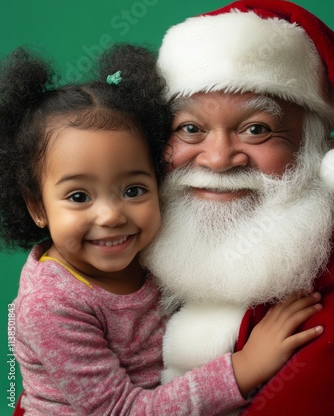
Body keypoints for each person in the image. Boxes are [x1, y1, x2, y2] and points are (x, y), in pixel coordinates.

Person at [1, 44, 322, 415]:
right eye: (78, 196)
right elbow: (123, 411)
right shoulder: (50, 306)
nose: (110, 216)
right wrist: (245, 368)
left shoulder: (152, 246)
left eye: (133, 190)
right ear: (37, 206)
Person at [142, 0, 334, 415]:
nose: (217, 159)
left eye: (257, 129)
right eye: (190, 128)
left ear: (314, 147)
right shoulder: (117, 262)